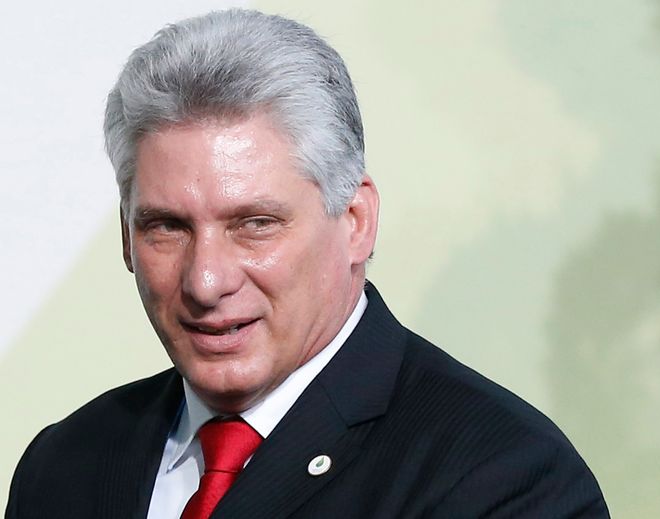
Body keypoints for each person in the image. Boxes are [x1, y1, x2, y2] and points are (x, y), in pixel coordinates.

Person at [6, 9, 609, 518]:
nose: (206, 281)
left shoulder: (502, 479)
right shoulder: (63, 467)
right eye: (167, 227)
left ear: (356, 221)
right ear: (125, 236)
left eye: (255, 224)